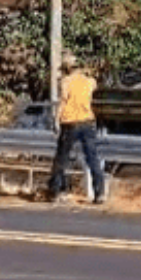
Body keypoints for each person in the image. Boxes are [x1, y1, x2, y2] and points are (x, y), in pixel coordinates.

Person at [46, 51, 106, 204]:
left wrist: (55, 120)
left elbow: (62, 103)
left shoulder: (65, 82)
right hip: (88, 122)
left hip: (70, 122)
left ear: (66, 68)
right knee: (92, 158)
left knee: (62, 158)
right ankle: (100, 192)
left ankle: (58, 191)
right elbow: (94, 85)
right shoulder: (89, 82)